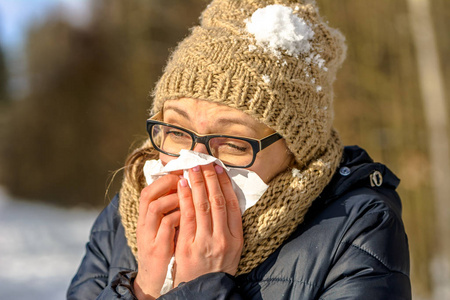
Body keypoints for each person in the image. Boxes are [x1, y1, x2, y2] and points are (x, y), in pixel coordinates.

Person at [67, 0, 411, 299]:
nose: (192, 161)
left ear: (297, 153)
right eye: (176, 130)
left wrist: (200, 287)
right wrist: (141, 289)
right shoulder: (127, 215)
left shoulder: (359, 229)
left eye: (232, 142)